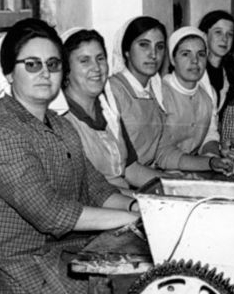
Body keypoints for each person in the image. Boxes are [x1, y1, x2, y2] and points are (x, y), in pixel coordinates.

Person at [0, 18, 140, 294]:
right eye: (32, 64)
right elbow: (51, 215)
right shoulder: (1, 133)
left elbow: (95, 187)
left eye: (53, 64)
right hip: (13, 268)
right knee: (130, 290)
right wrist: (133, 220)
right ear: (9, 73)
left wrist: (138, 210)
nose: (45, 73)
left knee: (148, 273)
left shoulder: (59, 125)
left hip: (57, 251)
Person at [61, 28, 171, 191]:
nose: (96, 68)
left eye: (100, 58)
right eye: (84, 61)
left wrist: (179, 183)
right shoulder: (62, 119)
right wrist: (138, 200)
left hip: (124, 201)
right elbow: (84, 190)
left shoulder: (108, 111)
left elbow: (131, 170)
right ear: (66, 69)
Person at [156, 26, 234, 174]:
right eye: (186, 54)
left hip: (194, 170)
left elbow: (209, 135)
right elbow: (161, 152)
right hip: (158, 172)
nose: (195, 61)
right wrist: (208, 163)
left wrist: (213, 157)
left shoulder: (208, 94)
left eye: (201, 54)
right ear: (173, 60)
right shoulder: (160, 92)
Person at [107, 16, 168, 167]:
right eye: (144, 45)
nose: (153, 54)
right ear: (126, 50)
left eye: (159, 47)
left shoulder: (156, 92)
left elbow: (162, 151)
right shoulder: (113, 91)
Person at [198, 10, 234, 110]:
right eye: (218, 32)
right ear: (205, 36)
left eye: (230, 34)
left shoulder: (229, 73)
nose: (224, 39)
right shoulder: (195, 70)